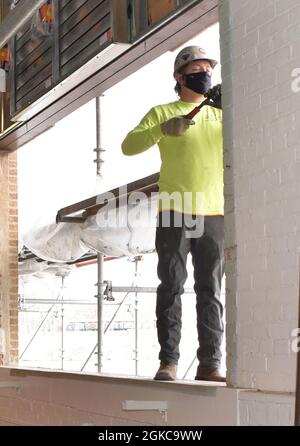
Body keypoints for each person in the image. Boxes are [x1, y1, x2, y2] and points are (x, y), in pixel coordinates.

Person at [121, 46, 225, 382]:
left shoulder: (219, 113)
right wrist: (161, 130)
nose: (204, 73)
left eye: (208, 68)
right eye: (196, 68)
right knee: (172, 285)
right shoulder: (163, 111)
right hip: (175, 211)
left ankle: (210, 364)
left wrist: (235, 102)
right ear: (180, 77)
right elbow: (129, 145)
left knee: (210, 288)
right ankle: (169, 362)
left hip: (213, 212)